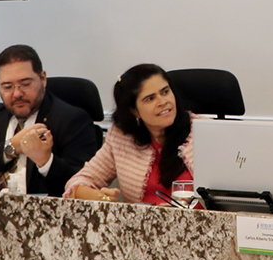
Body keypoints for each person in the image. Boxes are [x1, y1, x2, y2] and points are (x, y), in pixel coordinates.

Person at [0, 45, 98, 197]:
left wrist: (46, 161)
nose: (17, 94)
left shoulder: (71, 119)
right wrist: (12, 147)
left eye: (26, 84)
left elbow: (81, 188)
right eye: (8, 86)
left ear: (43, 79)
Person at [64, 64, 194, 204]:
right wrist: (100, 197)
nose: (163, 102)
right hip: (140, 225)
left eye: (165, 91)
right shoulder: (122, 137)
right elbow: (77, 183)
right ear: (134, 111)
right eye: (150, 98)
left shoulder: (202, 132)